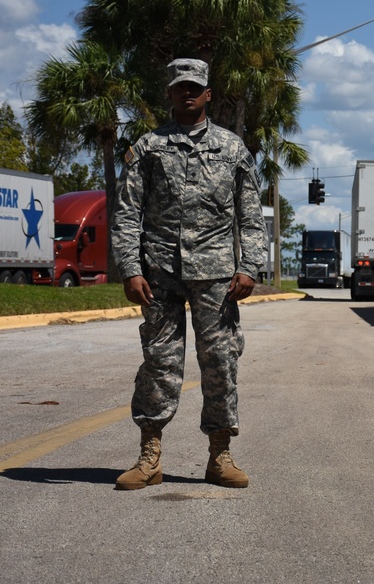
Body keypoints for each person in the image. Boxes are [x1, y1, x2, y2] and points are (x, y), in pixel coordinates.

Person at [111, 58, 267, 490]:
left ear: (208, 94)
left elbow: (251, 217)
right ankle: (150, 457)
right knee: (159, 363)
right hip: (158, 272)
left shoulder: (232, 149)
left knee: (219, 363)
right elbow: (126, 213)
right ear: (171, 92)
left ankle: (220, 456)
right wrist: (129, 269)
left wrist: (249, 265)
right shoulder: (148, 147)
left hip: (217, 276)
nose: (187, 93)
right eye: (180, 86)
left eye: (195, 87)